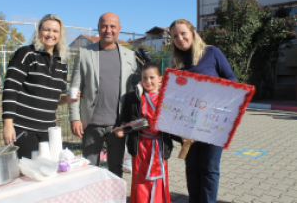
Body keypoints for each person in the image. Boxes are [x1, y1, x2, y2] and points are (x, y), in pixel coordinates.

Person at [169, 19, 236, 203]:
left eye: (183, 33)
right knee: (192, 167)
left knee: (209, 168)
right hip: (189, 124)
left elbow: (231, 80)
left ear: (192, 32)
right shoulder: (177, 62)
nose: (179, 38)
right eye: (175, 36)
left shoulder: (212, 53)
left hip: (213, 122)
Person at [69, 12, 137, 177]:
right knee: (89, 171)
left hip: (118, 126)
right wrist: (75, 118)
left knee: (115, 170)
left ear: (119, 29)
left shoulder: (130, 55)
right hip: (91, 124)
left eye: (112, 26)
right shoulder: (85, 53)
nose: (108, 30)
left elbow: (136, 87)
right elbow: (74, 87)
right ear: (98, 28)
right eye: (104, 26)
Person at [2, 14, 79, 159]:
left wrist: (67, 98)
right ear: (39, 32)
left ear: (60, 35)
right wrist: (8, 124)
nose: (51, 34)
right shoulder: (25, 54)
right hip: (24, 129)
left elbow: (56, 98)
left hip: (48, 130)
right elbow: (10, 90)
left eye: (55, 31)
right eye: (46, 30)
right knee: (27, 173)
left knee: (49, 171)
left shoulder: (62, 63)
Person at [114, 62, 181, 203]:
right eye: (144, 78)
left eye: (152, 77)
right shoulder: (133, 98)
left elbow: (173, 126)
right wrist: (121, 129)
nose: (148, 81)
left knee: (158, 181)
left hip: (159, 146)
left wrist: (182, 138)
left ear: (160, 78)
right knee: (140, 180)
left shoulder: (167, 99)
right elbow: (126, 120)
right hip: (140, 147)